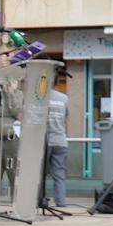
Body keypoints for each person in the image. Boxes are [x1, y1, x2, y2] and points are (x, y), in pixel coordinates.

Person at [44, 70, 71, 210]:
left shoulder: (41, 97)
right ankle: (61, 202)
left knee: (40, 174)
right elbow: (65, 117)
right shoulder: (64, 98)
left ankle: (40, 200)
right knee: (59, 174)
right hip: (60, 140)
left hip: (45, 141)